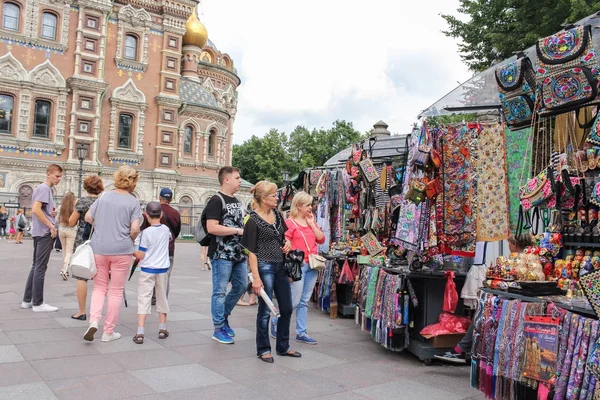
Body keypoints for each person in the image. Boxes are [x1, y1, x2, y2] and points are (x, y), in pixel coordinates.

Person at [434, 234, 534, 364]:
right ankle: (462, 349)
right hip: (510, 296)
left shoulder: (518, 262)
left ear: (514, 245)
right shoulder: (523, 260)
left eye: (510, 244)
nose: (509, 247)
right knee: (482, 311)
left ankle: (460, 350)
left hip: (514, 299)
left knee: (482, 312)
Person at [243, 180, 301, 363]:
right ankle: (263, 349)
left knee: (286, 308)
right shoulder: (252, 220)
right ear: (263, 198)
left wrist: (288, 243)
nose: (277, 198)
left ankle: (283, 346)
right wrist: (256, 279)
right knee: (266, 310)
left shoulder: (276, 214)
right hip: (264, 266)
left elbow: (284, 237)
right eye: (274, 195)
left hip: (281, 265)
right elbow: (251, 252)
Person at [83, 165, 142, 343]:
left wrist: (102, 225)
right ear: (132, 182)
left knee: (99, 288)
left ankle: (93, 321)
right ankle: (108, 332)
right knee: (115, 291)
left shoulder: (104, 196)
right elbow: (135, 228)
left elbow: (87, 217)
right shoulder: (133, 201)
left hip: (99, 248)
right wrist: (131, 239)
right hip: (122, 250)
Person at [271, 191, 324, 344]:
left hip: (313, 264)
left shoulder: (310, 221)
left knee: (304, 300)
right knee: (294, 300)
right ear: (299, 206)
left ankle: (301, 332)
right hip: (297, 266)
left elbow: (321, 239)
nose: (311, 207)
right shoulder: (290, 223)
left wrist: (312, 224)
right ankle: (277, 319)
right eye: (307, 205)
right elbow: (285, 244)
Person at [206, 166, 247, 345]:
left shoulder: (237, 200)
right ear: (226, 180)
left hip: (238, 253)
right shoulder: (216, 200)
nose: (240, 181)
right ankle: (218, 328)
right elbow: (212, 227)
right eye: (237, 178)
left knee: (242, 286)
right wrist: (237, 231)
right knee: (219, 291)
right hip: (221, 253)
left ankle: (223, 316)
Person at [21, 164, 63, 312]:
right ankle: (38, 303)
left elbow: (39, 210)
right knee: (40, 267)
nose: (59, 179)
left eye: (60, 176)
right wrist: (51, 226)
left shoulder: (41, 188)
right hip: (45, 233)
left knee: (36, 265)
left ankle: (27, 300)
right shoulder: (45, 188)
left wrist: (50, 214)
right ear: (49, 174)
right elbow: (36, 209)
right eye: (57, 176)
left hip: (39, 232)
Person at [133, 201, 171, 344]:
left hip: (148, 269)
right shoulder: (166, 230)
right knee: (162, 298)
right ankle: (162, 328)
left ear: (146, 215)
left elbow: (140, 255)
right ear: (161, 215)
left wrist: (133, 250)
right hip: (162, 269)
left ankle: (140, 332)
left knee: (144, 298)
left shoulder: (145, 233)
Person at [67, 175, 104, 320]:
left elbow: (71, 222)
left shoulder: (82, 202)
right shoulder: (103, 202)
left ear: (86, 186)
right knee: (100, 278)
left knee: (82, 277)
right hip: (100, 241)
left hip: (83, 241)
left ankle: (81, 312)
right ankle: (97, 312)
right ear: (100, 187)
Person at [140, 188, 181, 305]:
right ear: (171, 199)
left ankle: (152, 297)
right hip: (169, 249)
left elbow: (143, 229)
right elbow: (176, 232)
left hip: (152, 249)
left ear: (159, 197)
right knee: (165, 275)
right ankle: (162, 298)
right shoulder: (176, 213)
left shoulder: (152, 210)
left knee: (150, 272)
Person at [58, 192, 77, 280]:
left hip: (61, 229)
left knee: (64, 249)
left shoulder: (60, 207)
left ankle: (63, 268)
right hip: (71, 230)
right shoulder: (74, 208)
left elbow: (56, 219)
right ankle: (65, 270)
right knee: (69, 251)